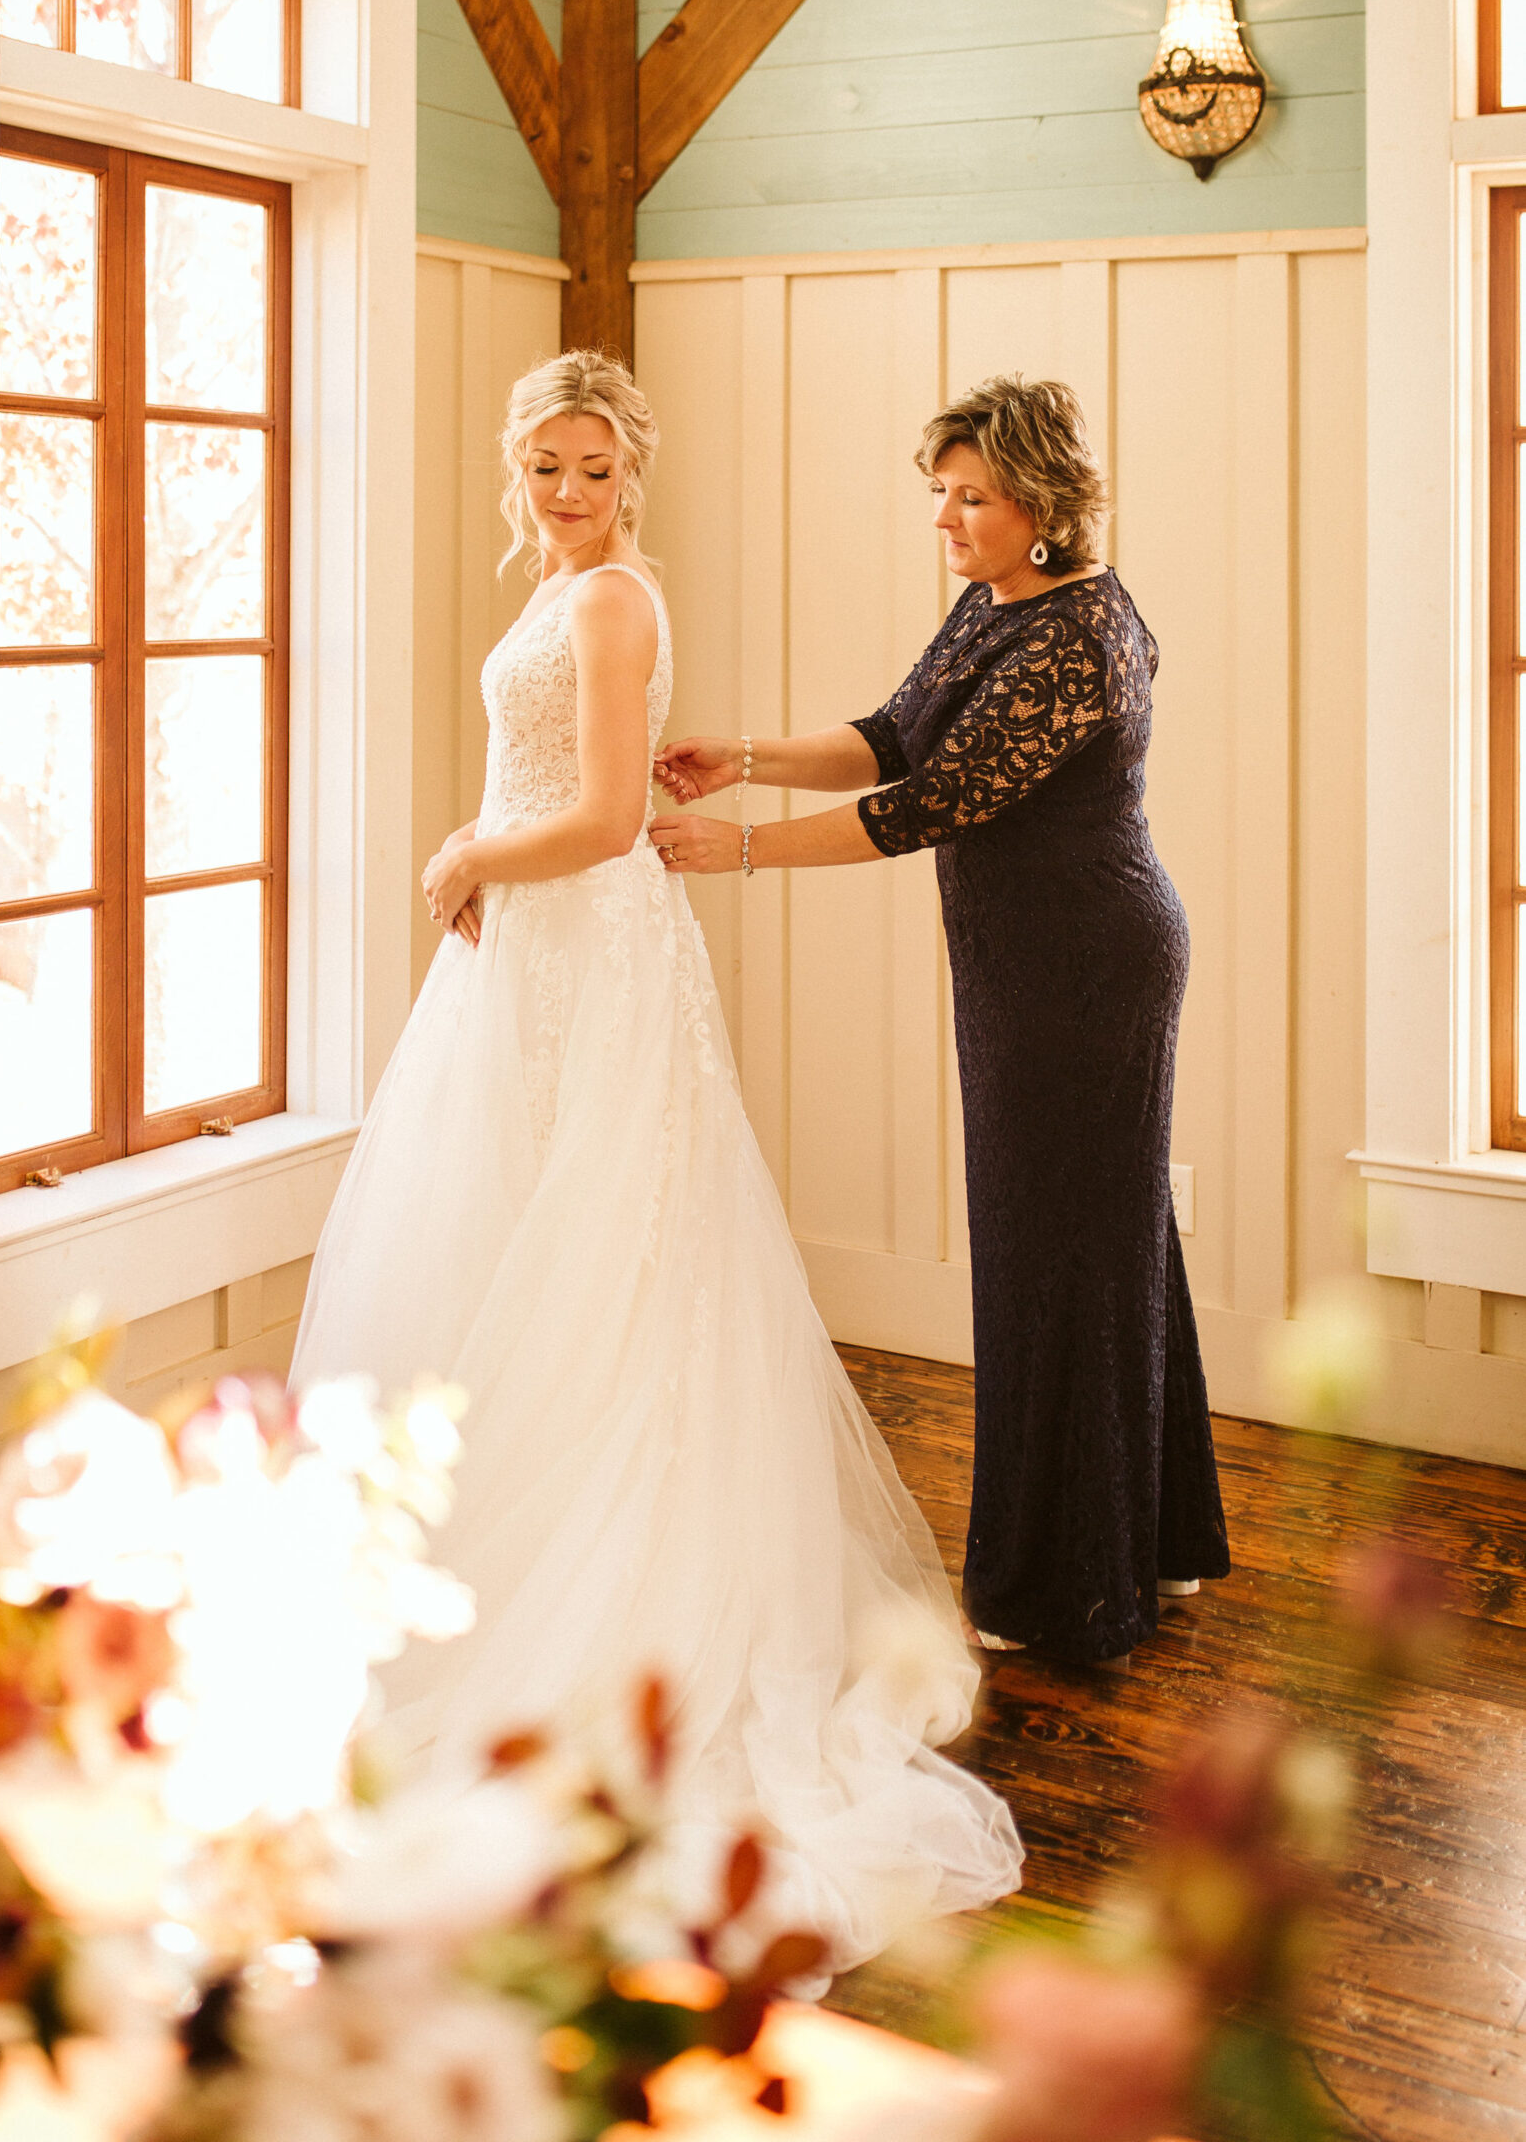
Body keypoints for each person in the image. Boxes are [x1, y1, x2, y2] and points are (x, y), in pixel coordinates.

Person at [289, 349, 1022, 1972]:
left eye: (593, 469)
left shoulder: (614, 605)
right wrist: (486, 861)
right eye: (545, 466)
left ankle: (612, 1591)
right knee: (508, 1241)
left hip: (596, 949)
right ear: (519, 469)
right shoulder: (555, 593)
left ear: (633, 476)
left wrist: (471, 848)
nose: (567, 493)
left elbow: (612, 814)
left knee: (615, 1254)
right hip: (526, 959)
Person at [653, 375, 1229, 1672]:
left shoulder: (1080, 634)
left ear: (1043, 502)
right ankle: (1157, 1535)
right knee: (1102, 1233)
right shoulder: (998, 604)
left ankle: (1058, 1588)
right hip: (1028, 961)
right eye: (941, 492)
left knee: (1053, 1249)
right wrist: (743, 754)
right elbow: (896, 738)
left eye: (972, 496)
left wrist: (732, 851)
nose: (946, 517)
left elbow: (926, 807)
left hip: (1084, 966)